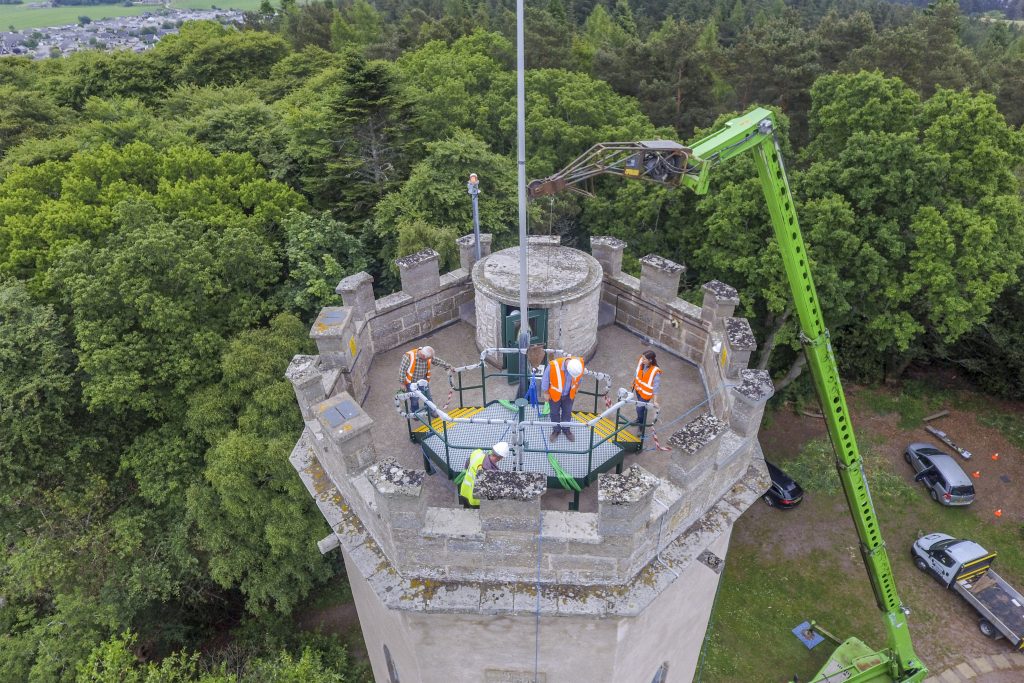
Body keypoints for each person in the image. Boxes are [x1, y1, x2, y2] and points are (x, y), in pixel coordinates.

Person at [542, 356, 585, 443]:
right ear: (568, 368)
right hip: (555, 395)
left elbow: (579, 377)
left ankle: (566, 429)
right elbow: (545, 380)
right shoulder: (553, 366)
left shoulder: (578, 364)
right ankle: (556, 430)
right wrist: (546, 392)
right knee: (554, 413)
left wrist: (578, 386)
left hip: (569, 395)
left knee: (567, 412)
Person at [398, 345, 449, 417]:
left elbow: (436, 361)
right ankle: (415, 413)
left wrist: (448, 366)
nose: (430, 359)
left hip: (423, 381)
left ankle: (430, 411)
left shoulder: (427, 356)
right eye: (428, 358)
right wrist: (402, 383)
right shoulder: (408, 357)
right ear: (423, 356)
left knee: (428, 397)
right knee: (414, 399)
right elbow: (402, 370)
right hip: (411, 383)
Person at [459, 442, 509, 508]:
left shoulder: (477, 453)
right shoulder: (491, 472)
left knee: (466, 511)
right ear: (501, 457)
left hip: (465, 491)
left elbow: (467, 465)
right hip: (475, 501)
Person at [632, 350, 661, 436]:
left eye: (644, 359)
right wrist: (633, 382)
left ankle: (641, 426)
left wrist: (655, 401)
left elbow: (656, 387)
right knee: (641, 408)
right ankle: (639, 418)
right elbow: (637, 372)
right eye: (643, 358)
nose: (642, 360)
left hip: (645, 394)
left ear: (650, 360)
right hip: (638, 390)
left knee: (639, 408)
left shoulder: (656, 372)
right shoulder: (642, 362)